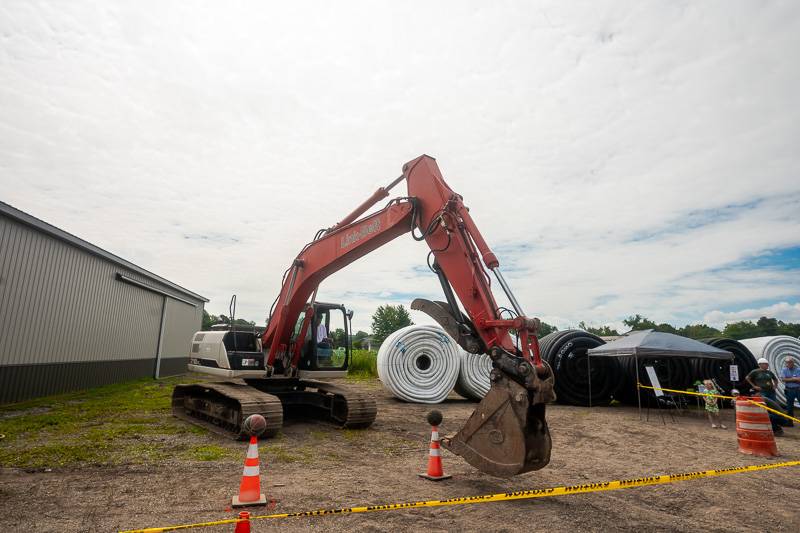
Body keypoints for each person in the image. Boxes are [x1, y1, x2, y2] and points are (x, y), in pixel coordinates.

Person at [746, 357, 784, 436]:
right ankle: (769, 425)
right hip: (762, 392)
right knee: (764, 408)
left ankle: (775, 424)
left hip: (771, 391)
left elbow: (775, 379)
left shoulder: (769, 372)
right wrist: (754, 386)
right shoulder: (755, 372)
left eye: (767, 364)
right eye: (765, 364)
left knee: (773, 407)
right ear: (760, 364)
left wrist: (775, 386)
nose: (767, 365)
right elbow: (747, 378)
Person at [781, 358, 800, 427]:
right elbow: (783, 379)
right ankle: (790, 422)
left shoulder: (798, 370)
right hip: (789, 390)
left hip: (798, 389)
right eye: (787, 362)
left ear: (793, 362)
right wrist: (794, 379)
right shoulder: (784, 370)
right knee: (789, 407)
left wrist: (789, 379)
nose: (788, 364)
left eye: (790, 362)